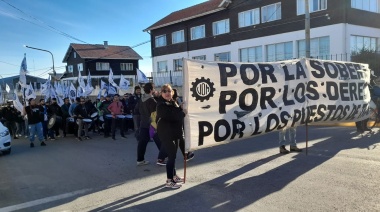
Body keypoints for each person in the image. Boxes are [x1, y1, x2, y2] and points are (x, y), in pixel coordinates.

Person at [156, 84, 187, 189]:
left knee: (172, 156)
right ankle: (169, 180)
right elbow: (172, 116)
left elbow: (175, 113)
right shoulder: (160, 105)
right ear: (161, 93)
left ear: (172, 92)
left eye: (169, 91)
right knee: (171, 156)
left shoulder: (173, 102)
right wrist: (182, 113)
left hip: (175, 132)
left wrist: (180, 108)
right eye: (164, 91)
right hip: (166, 133)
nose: (167, 93)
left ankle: (174, 176)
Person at [136, 82, 166, 166]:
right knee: (160, 141)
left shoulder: (141, 99)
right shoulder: (152, 100)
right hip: (152, 124)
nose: (155, 90)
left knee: (142, 142)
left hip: (143, 123)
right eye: (154, 88)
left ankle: (140, 160)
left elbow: (137, 110)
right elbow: (155, 114)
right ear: (151, 90)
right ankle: (162, 158)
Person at [172, 88, 194, 161]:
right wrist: (182, 110)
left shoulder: (173, 101)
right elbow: (177, 113)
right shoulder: (174, 102)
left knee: (180, 139)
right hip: (176, 124)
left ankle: (187, 155)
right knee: (176, 141)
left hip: (176, 124)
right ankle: (162, 157)